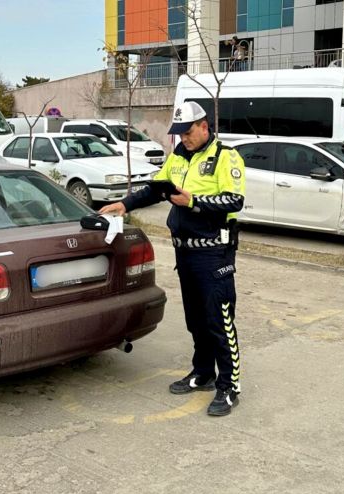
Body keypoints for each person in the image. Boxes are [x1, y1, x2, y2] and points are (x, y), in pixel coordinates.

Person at [99, 102, 246, 416]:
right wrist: (126, 204)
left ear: (204, 126)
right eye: (179, 134)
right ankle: (203, 373)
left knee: (219, 321)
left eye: (188, 132)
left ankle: (229, 386)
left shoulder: (225, 156)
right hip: (186, 252)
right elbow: (156, 190)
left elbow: (234, 200)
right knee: (196, 319)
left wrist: (193, 201)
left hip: (214, 253)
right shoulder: (178, 156)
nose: (184, 139)